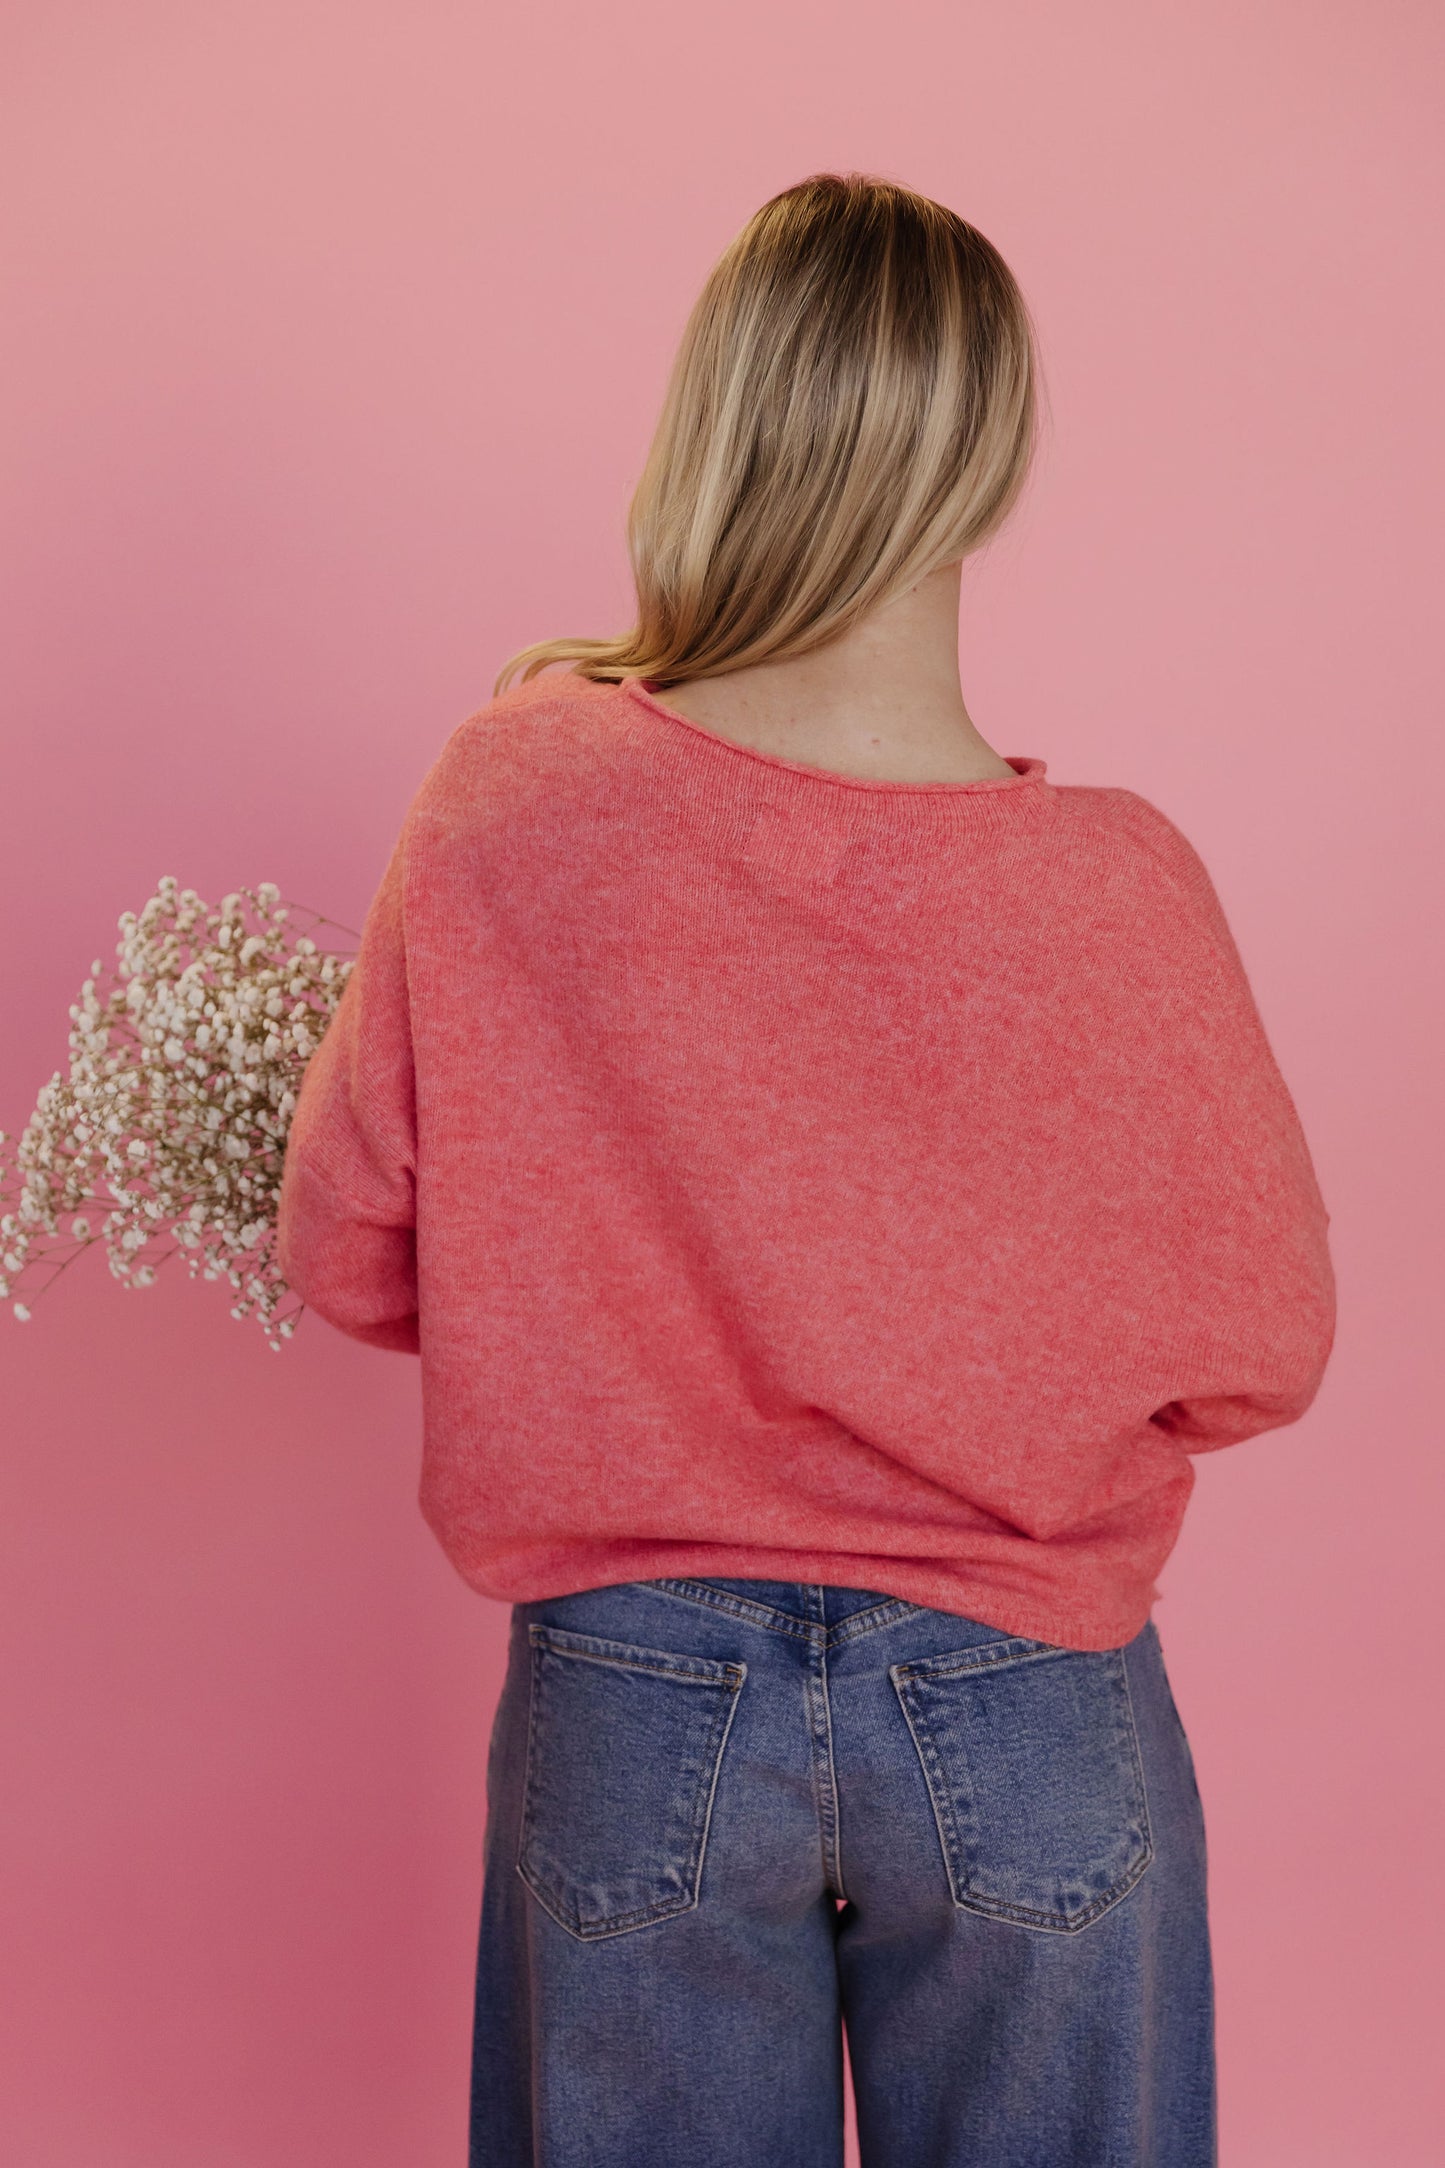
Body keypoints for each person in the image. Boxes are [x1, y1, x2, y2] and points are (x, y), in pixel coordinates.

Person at [276, 172, 1336, 2168]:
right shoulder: (1124, 888)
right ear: (992, 461)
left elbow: (346, 1245)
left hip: (633, 1697)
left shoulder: (514, 790)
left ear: (719, 425)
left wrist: (593, 1276)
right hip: (1028, 1693)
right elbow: (1267, 1345)